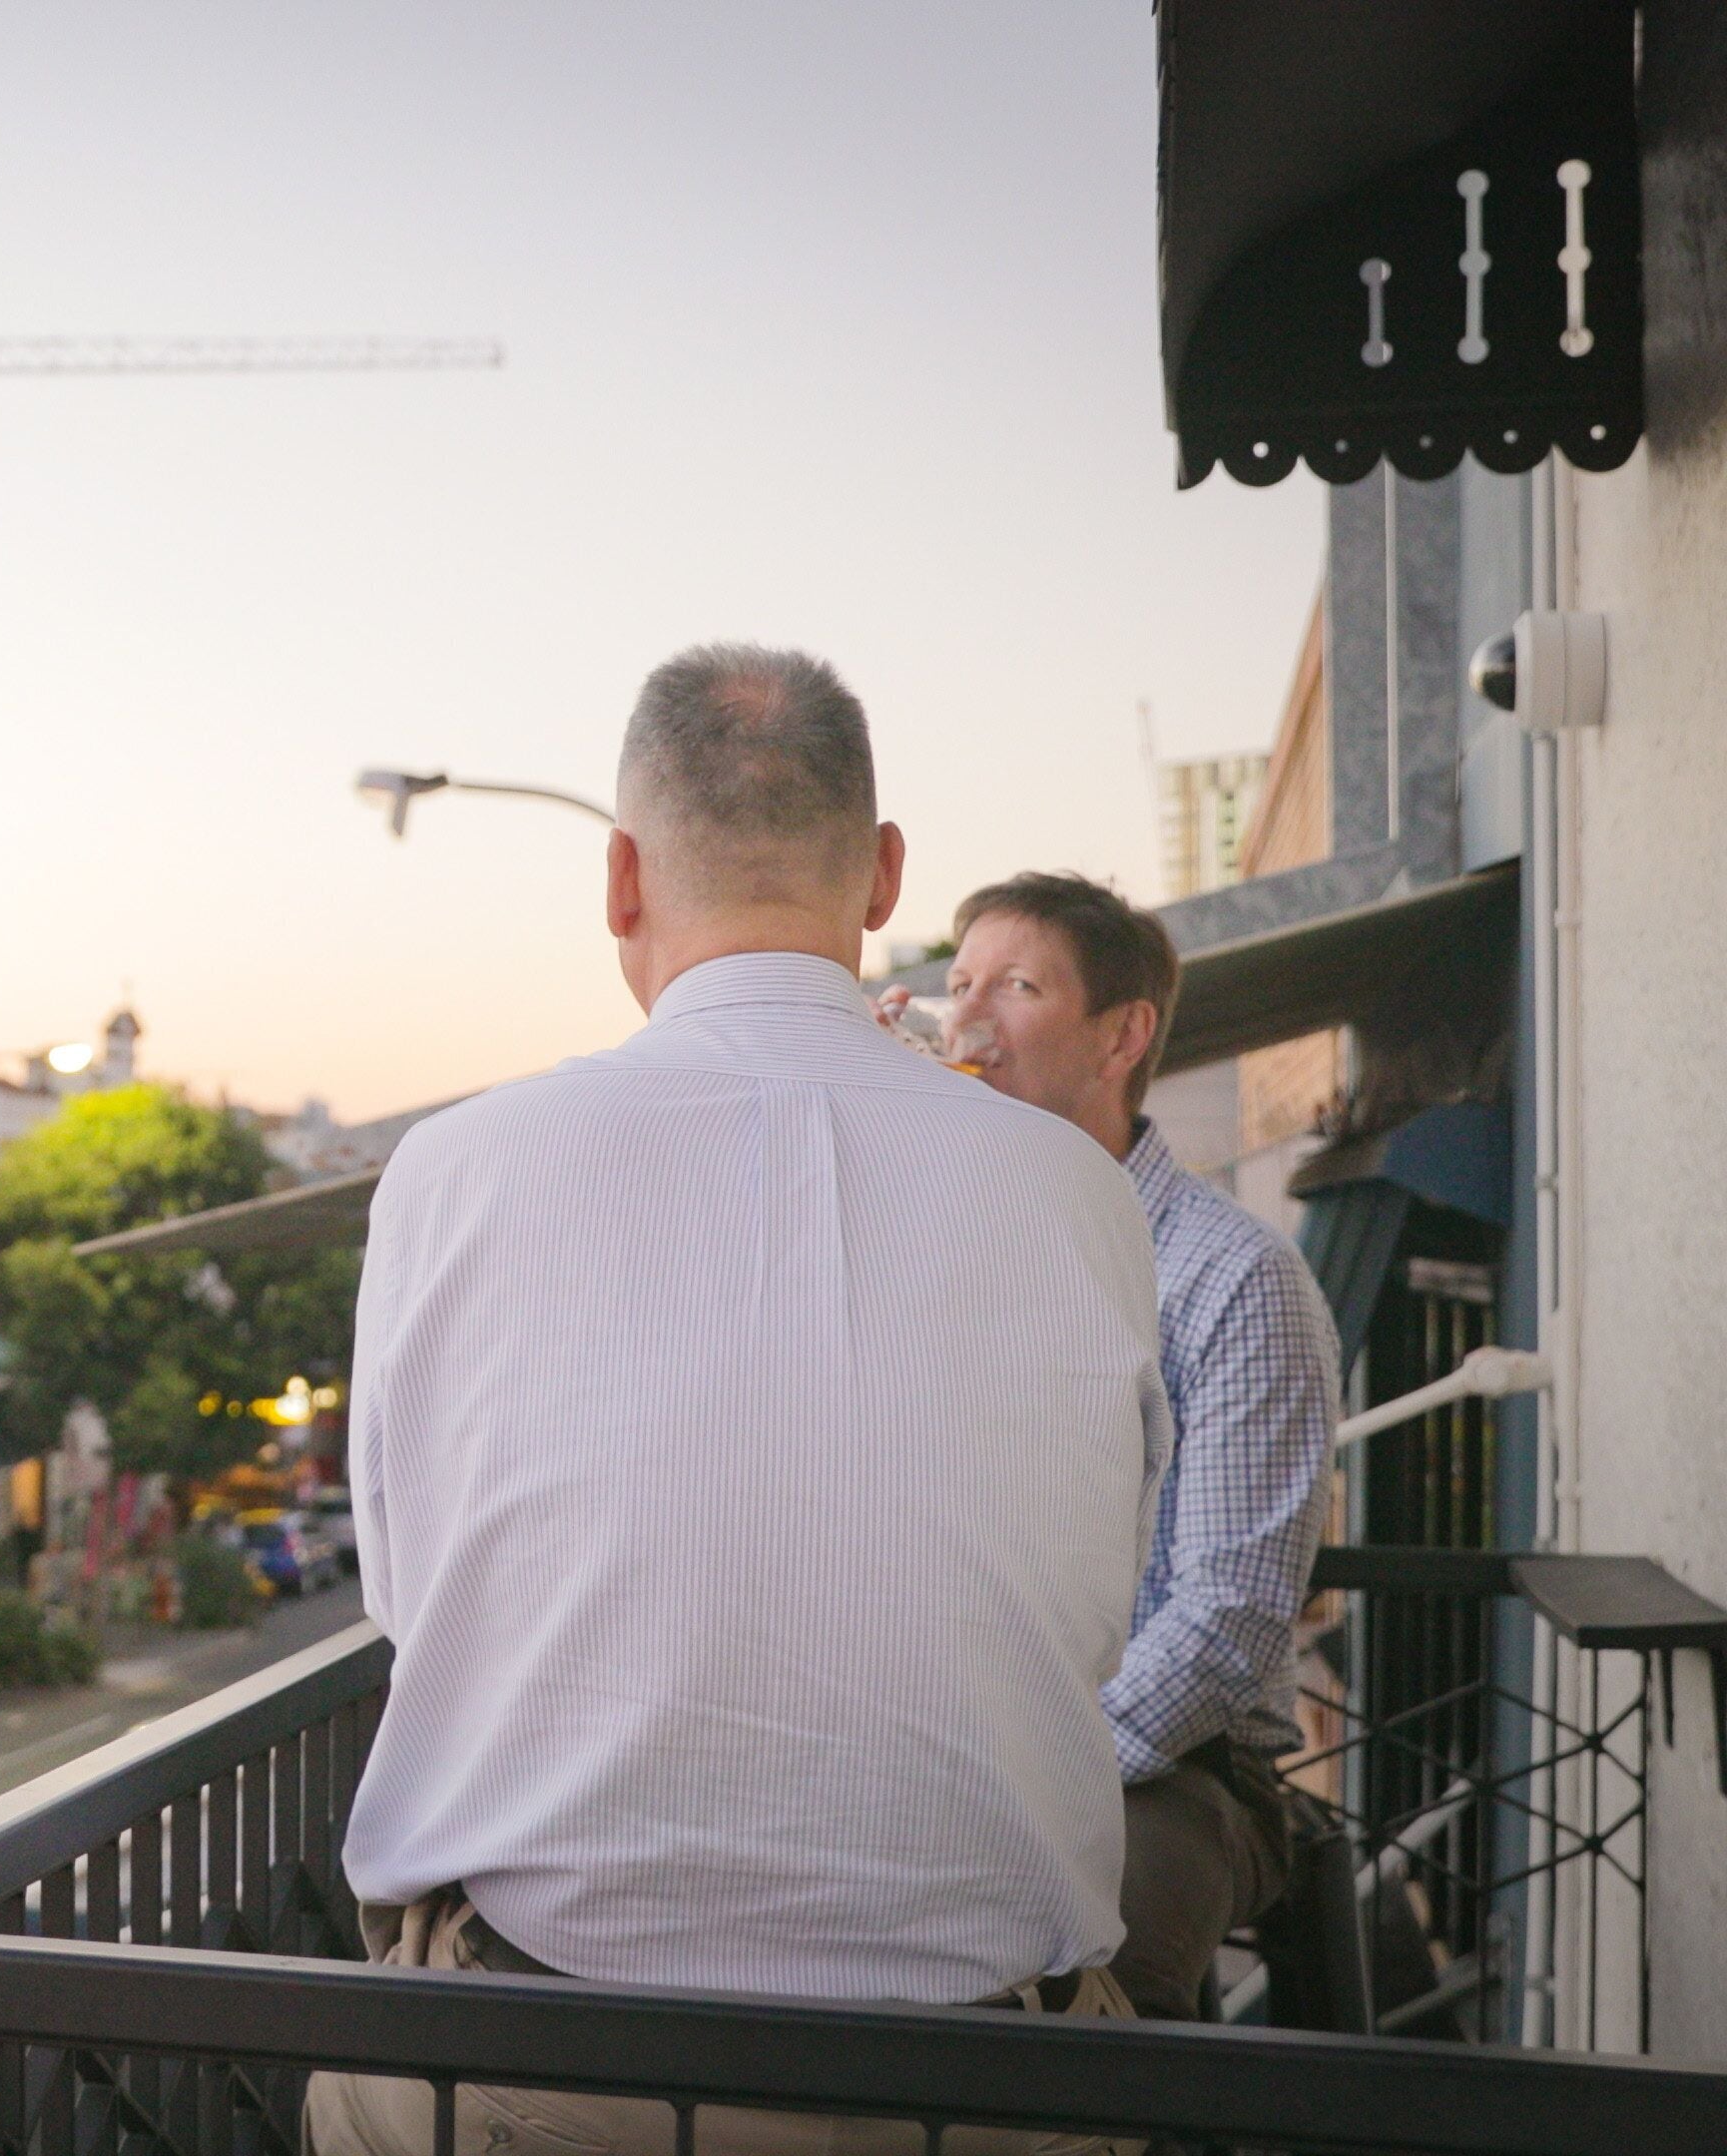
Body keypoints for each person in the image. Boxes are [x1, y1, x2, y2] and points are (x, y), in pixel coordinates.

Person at [307, 644, 1172, 2156]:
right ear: (887, 874)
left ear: (621, 881)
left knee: (348, 2094)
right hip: (992, 2078)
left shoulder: (455, 1172)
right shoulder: (1078, 1196)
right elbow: (1100, 1599)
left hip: (548, 2054)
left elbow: (409, 1592)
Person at [933, 872, 1337, 2021]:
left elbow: (1228, 1620)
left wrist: (1030, 1773)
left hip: (1173, 1769)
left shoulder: (1235, 1280)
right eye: (956, 984)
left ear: (1123, 1034)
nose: (967, 1021)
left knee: (1060, 1966)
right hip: (951, 1728)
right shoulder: (942, 1244)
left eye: (1017, 987)